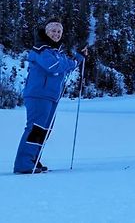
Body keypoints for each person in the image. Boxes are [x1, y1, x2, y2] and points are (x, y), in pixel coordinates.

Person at [13, 17, 87, 174]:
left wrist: (78, 58)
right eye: (53, 30)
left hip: (51, 96)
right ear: (46, 32)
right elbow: (54, 67)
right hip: (39, 94)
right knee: (35, 128)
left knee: (44, 130)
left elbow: (66, 65)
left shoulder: (55, 52)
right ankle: (24, 163)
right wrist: (72, 62)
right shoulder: (41, 49)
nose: (56, 34)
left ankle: (33, 159)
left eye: (59, 31)